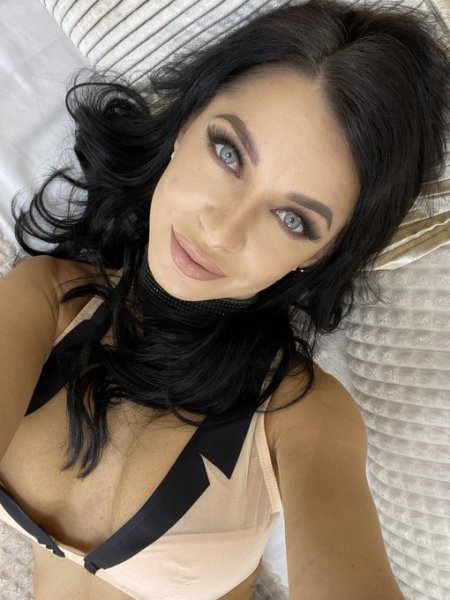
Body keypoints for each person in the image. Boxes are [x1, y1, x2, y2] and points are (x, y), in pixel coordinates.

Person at [0, 0, 448, 598]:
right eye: (229, 153)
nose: (221, 231)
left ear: (319, 254)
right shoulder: (49, 298)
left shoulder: (301, 414)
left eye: (292, 219)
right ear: (186, 122)